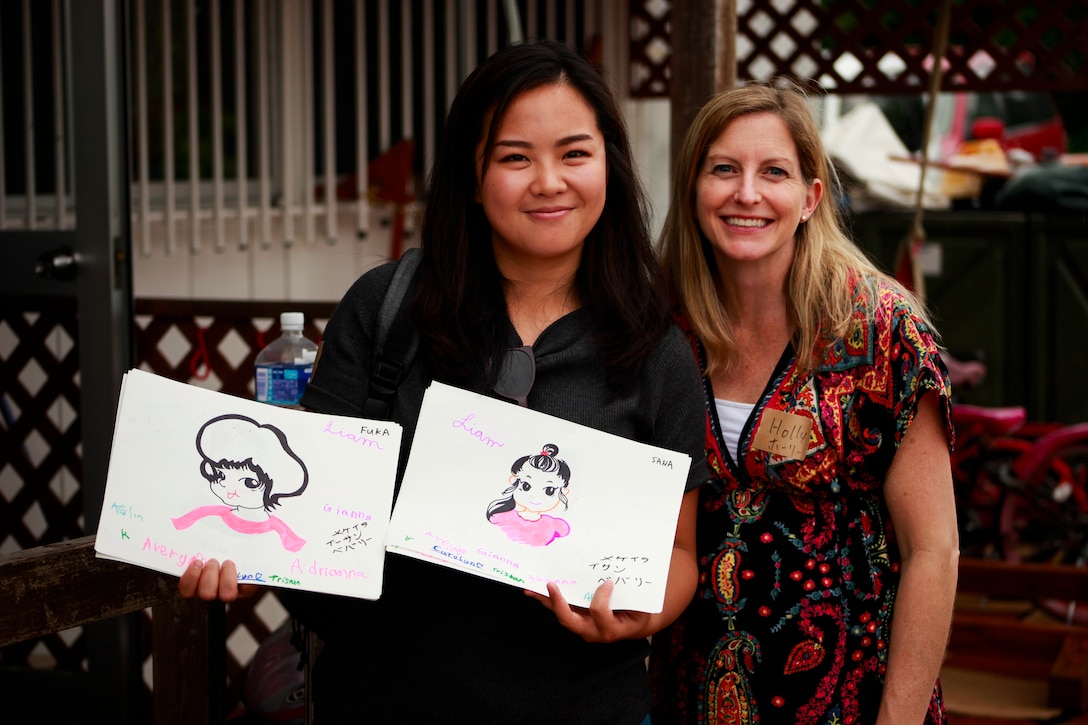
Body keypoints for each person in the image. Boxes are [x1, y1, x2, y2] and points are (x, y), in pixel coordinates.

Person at [177, 38, 709, 724]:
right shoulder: (388, 308)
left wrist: (638, 615)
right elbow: (304, 505)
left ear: (610, 162)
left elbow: (679, 550)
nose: (549, 180)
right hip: (385, 699)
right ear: (471, 171)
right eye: (515, 157)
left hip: (583, 705)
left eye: (575, 153)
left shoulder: (653, 347)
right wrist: (241, 547)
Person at [648, 81, 959, 724]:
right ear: (694, 189)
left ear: (811, 197)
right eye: (724, 170)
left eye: (774, 172)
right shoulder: (661, 325)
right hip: (692, 694)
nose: (747, 194)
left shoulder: (882, 331)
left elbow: (935, 550)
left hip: (851, 699)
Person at [486, 442, 573, 546]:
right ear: (513, 481)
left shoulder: (555, 526)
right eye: (526, 486)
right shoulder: (501, 517)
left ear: (564, 491)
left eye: (549, 490)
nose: (534, 496)